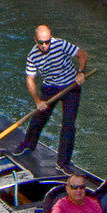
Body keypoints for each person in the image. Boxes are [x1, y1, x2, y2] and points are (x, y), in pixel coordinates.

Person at [21, 25, 88, 167]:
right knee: (39, 117)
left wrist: (80, 72)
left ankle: (63, 163)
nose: (45, 46)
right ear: (35, 40)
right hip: (50, 87)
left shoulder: (61, 44)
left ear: (51, 38)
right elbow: (30, 79)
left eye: (47, 42)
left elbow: (82, 54)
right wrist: (38, 101)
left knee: (68, 125)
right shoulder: (32, 55)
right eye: (41, 42)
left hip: (71, 87)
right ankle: (28, 145)